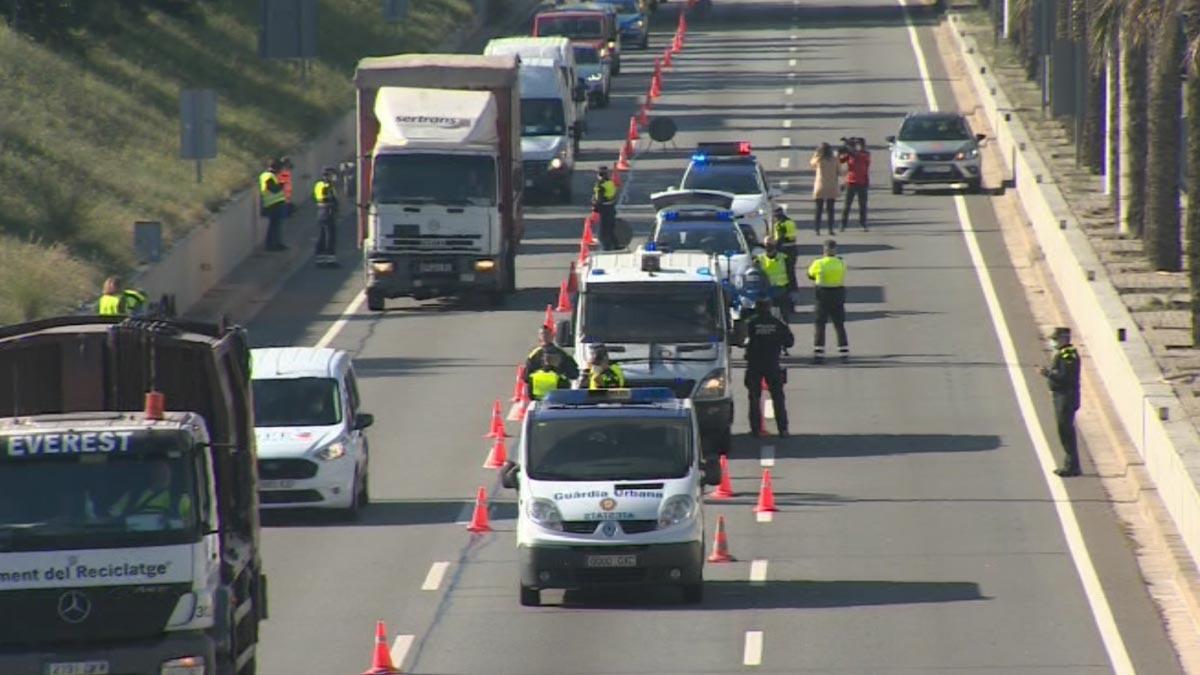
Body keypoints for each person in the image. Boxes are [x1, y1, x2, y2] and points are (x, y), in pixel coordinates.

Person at [743, 298, 793, 437]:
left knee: (754, 398)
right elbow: (789, 342)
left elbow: (740, 339)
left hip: (754, 365)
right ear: (769, 308)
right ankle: (783, 429)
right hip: (772, 364)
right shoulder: (777, 323)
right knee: (778, 397)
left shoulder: (751, 323)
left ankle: (755, 429)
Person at [1040, 327, 1082, 477]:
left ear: (1064, 339)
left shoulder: (1068, 354)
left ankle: (1072, 466)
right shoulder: (1063, 353)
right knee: (1063, 431)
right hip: (1061, 396)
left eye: (1056, 339)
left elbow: (1066, 376)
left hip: (1066, 397)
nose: (1053, 342)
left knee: (1066, 432)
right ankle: (1070, 464)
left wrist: (1047, 373)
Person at [108, 462, 192, 521]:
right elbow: (113, 516)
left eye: (166, 472)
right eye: (158, 470)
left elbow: (189, 522)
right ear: (151, 473)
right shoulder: (133, 496)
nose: (163, 475)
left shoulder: (180, 499)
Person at [808, 239, 848, 362]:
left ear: (824, 250)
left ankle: (819, 354)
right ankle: (843, 353)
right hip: (838, 295)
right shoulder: (841, 263)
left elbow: (810, 275)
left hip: (822, 296)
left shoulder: (818, 263)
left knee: (820, 325)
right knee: (839, 325)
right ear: (835, 250)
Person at [838, 138, 870, 231]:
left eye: (859, 144)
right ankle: (843, 224)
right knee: (847, 205)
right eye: (856, 145)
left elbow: (857, 155)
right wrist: (842, 151)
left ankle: (863, 223)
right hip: (851, 182)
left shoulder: (866, 154)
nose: (857, 146)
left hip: (862, 182)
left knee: (862, 205)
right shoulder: (850, 155)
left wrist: (847, 146)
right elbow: (840, 160)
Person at [755, 238, 791, 318]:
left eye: (770, 245)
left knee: (784, 315)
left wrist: (793, 290)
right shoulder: (758, 259)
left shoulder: (784, 258)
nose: (769, 247)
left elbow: (791, 274)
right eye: (767, 245)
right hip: (766, 290)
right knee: (765, 316)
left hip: (781, 289)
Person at [810, 142, 840, 235]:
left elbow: (811, 163)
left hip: (820, 187)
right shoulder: (834, 160)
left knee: (818, 210)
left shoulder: (819, 160)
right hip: (831, 187)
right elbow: (840, 171)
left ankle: (817, 229)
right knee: (830, 210)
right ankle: (830, 229)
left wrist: (816, 154)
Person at [313, 166, 340, 267]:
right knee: (330, 236)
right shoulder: (324, 186)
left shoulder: (323, 185)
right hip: (326, 212)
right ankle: (329, 260)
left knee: (323, 235)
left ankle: (320, 259)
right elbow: (326, 198)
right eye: (332, 175)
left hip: (323, 212)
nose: (334, 177)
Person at [259, 158, 287, 251]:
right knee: (273, 226)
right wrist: (281, 184)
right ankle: (270, 245)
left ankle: (277, 243)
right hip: (272, 204)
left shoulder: (272, 175)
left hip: (276, 203)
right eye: (279, 168)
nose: (280, 170)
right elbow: (273, 189)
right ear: (275, 167)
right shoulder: (267, 176)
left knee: (277, 225)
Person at [771, 205, 799, 291]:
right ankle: (794, 288)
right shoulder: (790, 221)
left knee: (784, 270)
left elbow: (780, 238)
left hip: (784, 249)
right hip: (793, 248)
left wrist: (774, 249)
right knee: (791, 270)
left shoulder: (780, 224)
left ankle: (787, 289)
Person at [592, 166, 619, 250]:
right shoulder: (610, 182)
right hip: (611, 206)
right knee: (610, 227)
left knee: (603, 229)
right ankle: (615, 244)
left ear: (599, 174)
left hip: (604, 208)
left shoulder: (600, 185)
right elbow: (613, 194)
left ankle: (606, 247)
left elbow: (600, 199)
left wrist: (595, 206)